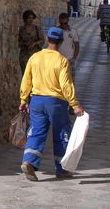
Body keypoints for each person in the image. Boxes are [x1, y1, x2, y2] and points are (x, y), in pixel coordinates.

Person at [19, 26, 84, 181]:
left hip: (36, 101)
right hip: (55, 103)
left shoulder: (35, 58)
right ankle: (61, 169)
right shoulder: (61, 60)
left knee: (36, 132)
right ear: (61, 42)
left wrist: (23, 99)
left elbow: (26, 80)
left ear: (47, 39)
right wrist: (74, 104)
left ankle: (29, 161)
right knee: (62, 134)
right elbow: (66, 85)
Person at [18, 10, 43, 74]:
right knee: (25, 74)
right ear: (25, 18)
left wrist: (34, 43)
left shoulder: (37, 29)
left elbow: (42, 40)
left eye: (32, 18)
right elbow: (17, 42)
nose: (31, 20)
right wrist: (24, 44)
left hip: (35, 54)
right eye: (29, 18)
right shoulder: (21, 29)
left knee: (35, 74)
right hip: (24, 56)